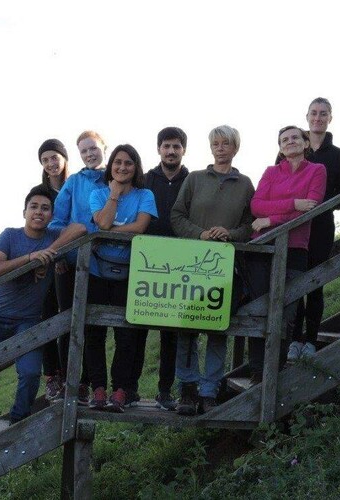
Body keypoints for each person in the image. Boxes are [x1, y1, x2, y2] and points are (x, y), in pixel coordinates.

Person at [0, 186, 86, 441]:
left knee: (31, 372)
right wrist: (31, 258)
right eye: (34, 206)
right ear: (24, 211)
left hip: (27, 321)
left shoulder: (53, 236)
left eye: (45, 208)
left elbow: (80, 228)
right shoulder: (9, 236)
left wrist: (49, 253)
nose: (39, 212)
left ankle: (17, 422)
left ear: (51, 215)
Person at [170, 125, 254, 415]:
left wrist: (230, 233)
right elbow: (176, 216)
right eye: (216, 143)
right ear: (210, 147)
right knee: (187, 327)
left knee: (217, 327)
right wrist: (200, 234)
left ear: (235, 147)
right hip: (191, 264)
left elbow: (250, 225)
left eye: (226, 143)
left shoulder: (244, 184)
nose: (220, 148)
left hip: (225, 266)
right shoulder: (193, 179)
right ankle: (188, 388)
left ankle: (210, 390)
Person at [246, 126, 326, 380]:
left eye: (295, 137)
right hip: (263, 248)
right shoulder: (271, 172)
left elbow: (310, 208)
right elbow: (256, 205)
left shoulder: (317, 171)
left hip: (294, 248)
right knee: (259, 310)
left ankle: (274, 375)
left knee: (287, 313)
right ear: (280, 148)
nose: (290, 142)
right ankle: (258, 374)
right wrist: (292, 204)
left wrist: (270, 219)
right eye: (284, 140)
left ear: (305, 143)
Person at [89, 144, 157, 412]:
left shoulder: (145, 194)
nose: (122, 167)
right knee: (94, 332)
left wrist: (111, 228)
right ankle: (97, 388)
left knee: (126, 335)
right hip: (96, 271)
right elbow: (103, 224)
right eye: (117, 162)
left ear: (136, 167)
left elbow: (140, 227)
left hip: (131, 273)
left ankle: (120, 390)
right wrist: (114, 196)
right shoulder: (98, 194)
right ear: (111, 165)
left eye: (128, 163)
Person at [49, 130, 108, 405]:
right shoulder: (73, 182)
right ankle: (67, 382)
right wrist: (60, 255)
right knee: (68, 323)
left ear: (103, 148)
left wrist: (98, 236)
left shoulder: (115, 179)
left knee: (95, 327)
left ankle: (91, 384)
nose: (89, 154)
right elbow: (57, 222)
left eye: (93, 148)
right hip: (70, 265)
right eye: (83, 151)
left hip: (104, 265)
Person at [290, 99, 340, 360]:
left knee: (315, 284)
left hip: (321, 227)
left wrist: (315, 205)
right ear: (306, 116)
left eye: (323, 113)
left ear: (330, 118)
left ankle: (311, 340)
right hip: (292, 227)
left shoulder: (338, 155)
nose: (318, 117)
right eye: (313, 113)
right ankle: (294, 340)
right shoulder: (292, 149)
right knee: (294, 284)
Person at [144, 127, 189, 411]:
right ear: (158, 149)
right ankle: (127, 389)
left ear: (184, 150)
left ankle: (166, 391)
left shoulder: (193, 179)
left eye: (176, 146)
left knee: (173, 331)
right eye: (166, 146)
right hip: (147, 259)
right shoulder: (146, 179)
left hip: (182, 261)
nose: (171, 151)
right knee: (136, 326)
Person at [34, 139, 70, 402]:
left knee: (68, 317)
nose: (51, 163)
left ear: (64, 159)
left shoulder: (75, 186)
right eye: (45, 160)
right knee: (47, 317)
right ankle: (52, 376)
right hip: (47, 262)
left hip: (72, 261)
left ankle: (71, 374)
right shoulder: (39, 192)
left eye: (54, 157)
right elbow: (37, 225)